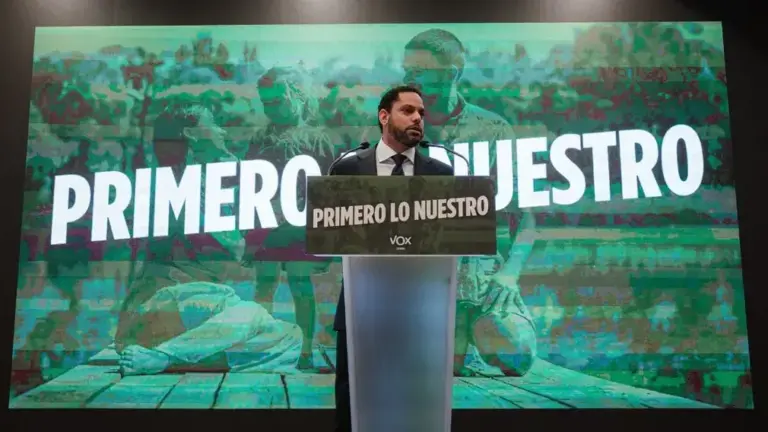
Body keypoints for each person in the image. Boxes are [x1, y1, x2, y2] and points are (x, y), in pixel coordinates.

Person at [114, 105, 302, 376]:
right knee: (253, 314)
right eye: (213, 123)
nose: (222, 130)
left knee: (290, 336)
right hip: (163, 306)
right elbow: (237, 249)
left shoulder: (199, 181)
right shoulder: (181, 184)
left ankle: (165, 359)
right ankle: (165, 356)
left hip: (191, 315)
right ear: (191, 133)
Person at [402, 28, 538, 377]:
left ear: (451, 73)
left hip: (480, 276)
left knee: (516, 352)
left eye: (419, 70)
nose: (408, 78)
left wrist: (510, 275)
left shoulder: (493, 129)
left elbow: (524, 218)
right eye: (406, 70)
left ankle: (468, 333)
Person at [330, 85, 453, 432]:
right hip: (360, 308)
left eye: (421, 114)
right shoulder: (347, 169)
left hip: (422, 315)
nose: (417, 118)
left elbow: (447, 240)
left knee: (417, 404)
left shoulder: (441, 175)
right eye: (408, 111)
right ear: (384, 116)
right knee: (353, 402)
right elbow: (331, 233)